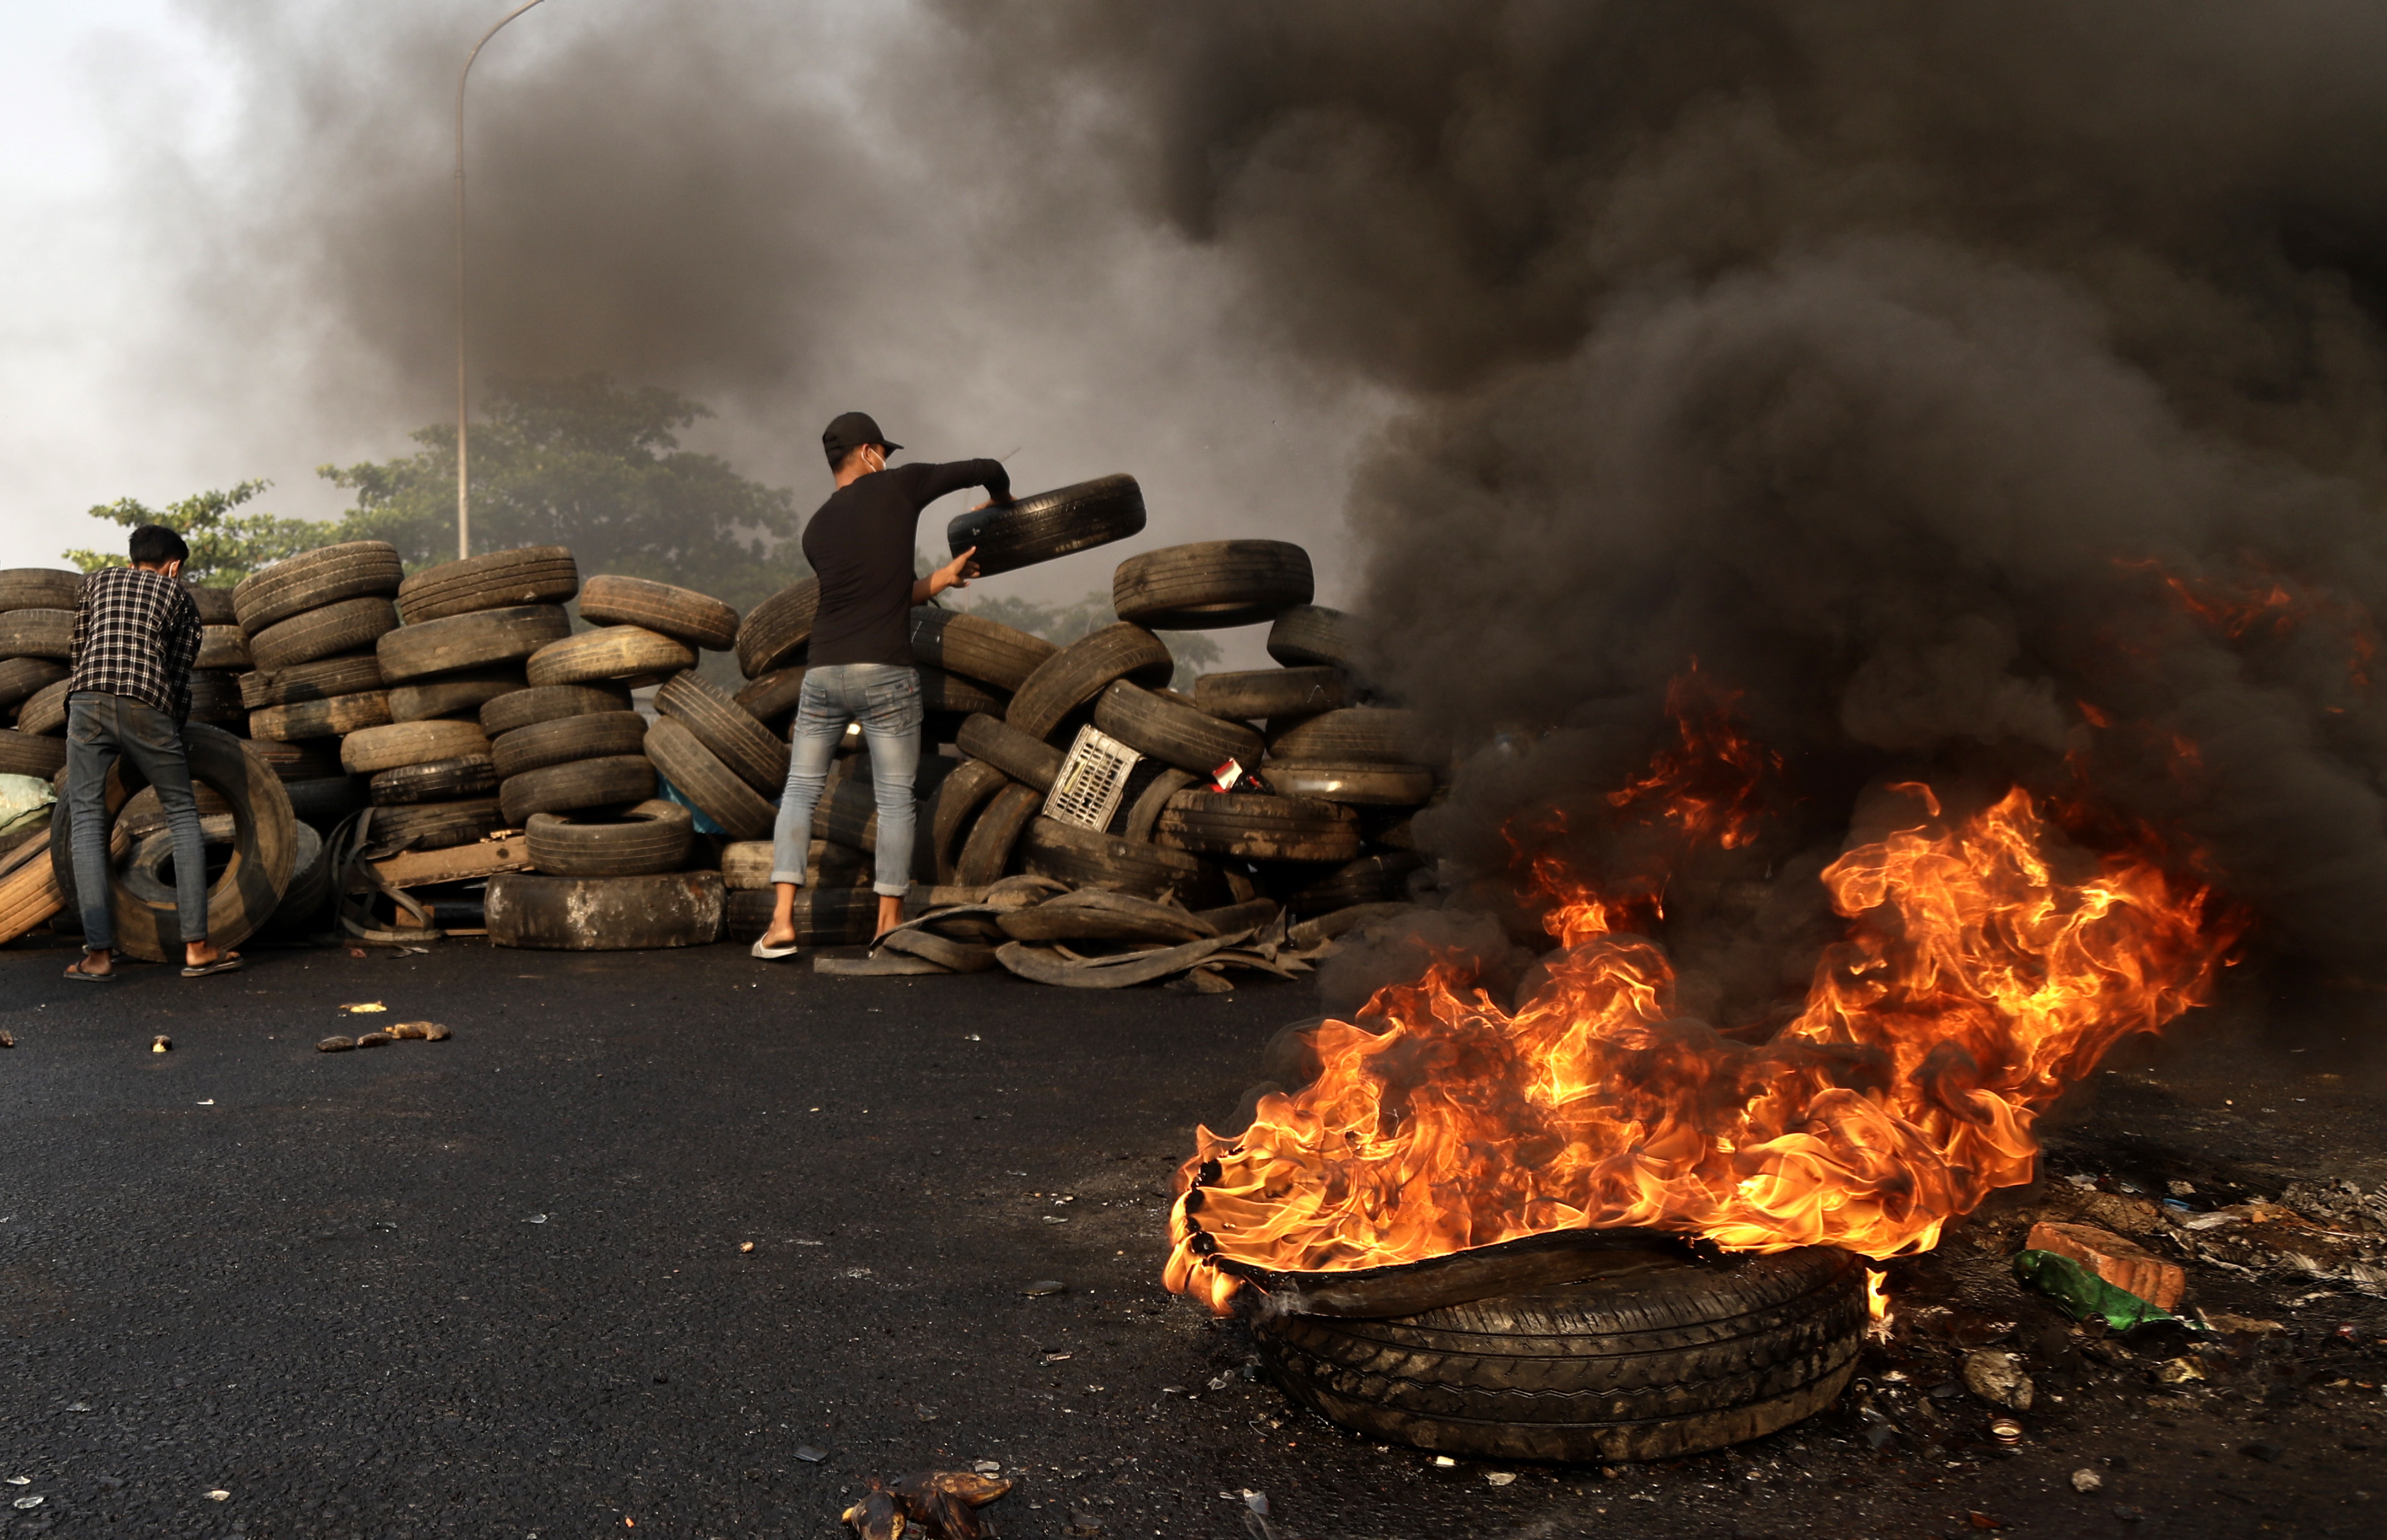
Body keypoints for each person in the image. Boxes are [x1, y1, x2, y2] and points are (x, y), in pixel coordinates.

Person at [752, 412, 1007, 959]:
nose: (887, 460)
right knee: (895, 800)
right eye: (883, 452)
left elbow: (884, 595)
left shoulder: (816, 529)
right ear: (869, 451)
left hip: (824, 672)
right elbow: (986, 466)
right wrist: (1001, 502)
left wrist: (943, 578)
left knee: (800, 791)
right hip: (886, 672)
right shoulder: (901, 485)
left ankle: (780, 924)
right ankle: (887, 927)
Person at [61, 524, 241, 980]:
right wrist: (167, 737)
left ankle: (98, 957)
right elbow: (179, 675)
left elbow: (78, 648)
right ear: (174, 566)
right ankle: (197, 948)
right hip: (148, 700)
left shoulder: (97, 582)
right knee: (181, 813)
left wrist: (88, 700)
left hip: (86, 697)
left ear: (132, 561)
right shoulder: (178, 596)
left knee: (87, 820)